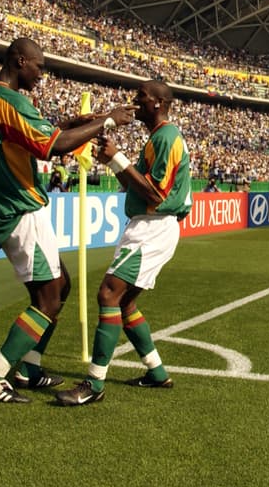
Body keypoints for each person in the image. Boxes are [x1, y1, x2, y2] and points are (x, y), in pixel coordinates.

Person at [0, 37, 136, 404]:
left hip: (5, 205)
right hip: (19, 207)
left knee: (60, 287)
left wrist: (72, 123)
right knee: (48, 298)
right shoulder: (10, 101)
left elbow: (29, 138)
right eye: (38, 66)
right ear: (18, 61)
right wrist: (107, 120)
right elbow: (54, 146)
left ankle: (29, 367)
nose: (41, 74)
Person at [57, 80, 190, 406]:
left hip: (153, 227)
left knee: (108, 294)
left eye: (141, 96)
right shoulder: (156, 138)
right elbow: (135, 185)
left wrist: (119, 158)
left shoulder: (167, 138)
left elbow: (155, 194)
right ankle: (157, 373)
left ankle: (94, 384)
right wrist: (113, 159)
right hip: (148, 225)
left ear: (158, 103)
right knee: (125, 303)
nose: (135, 100)